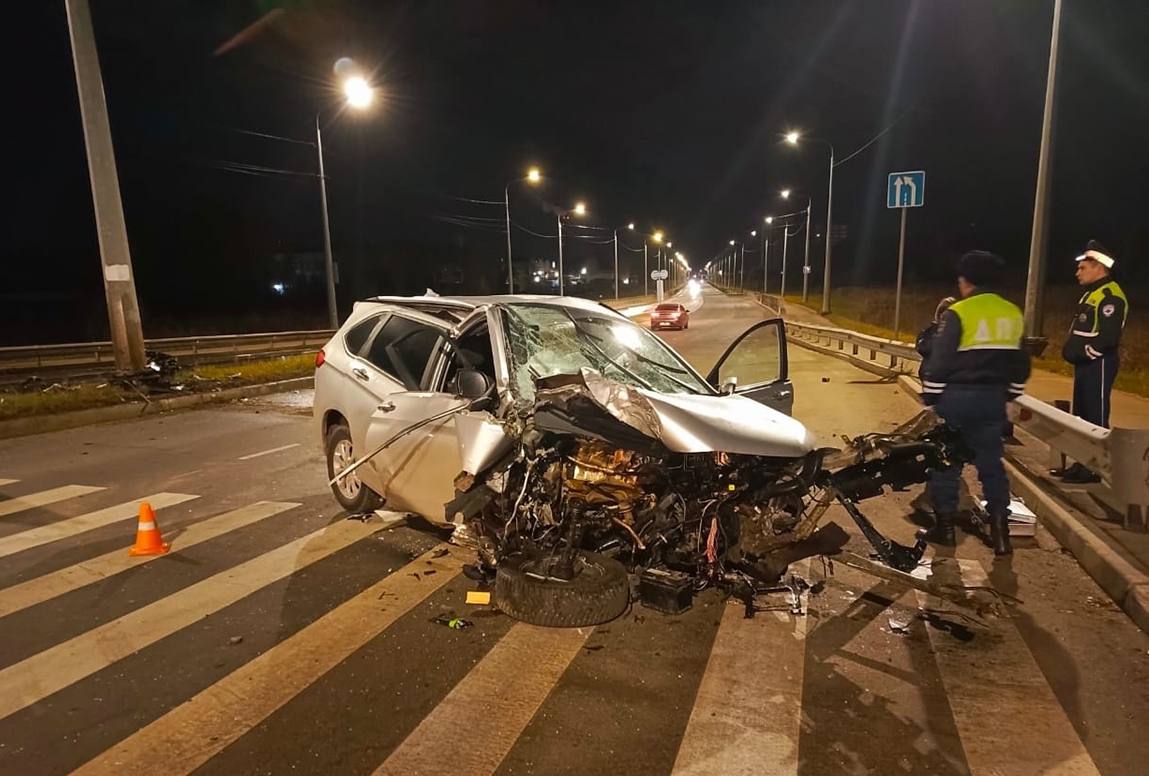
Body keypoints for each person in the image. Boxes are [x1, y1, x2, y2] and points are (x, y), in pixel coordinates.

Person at [919, 251, 1031, 555]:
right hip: (992, 401)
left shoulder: (960, 312)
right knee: (992, 466)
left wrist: (931, 397)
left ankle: (944, 529)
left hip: (957, 398)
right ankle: (1000, 532)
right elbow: (1021, 364)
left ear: (966, 281)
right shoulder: (1012, 313)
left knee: (946, 463)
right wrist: (1009, 394)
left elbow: (939, 363)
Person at [1055, 240, 1128, 484]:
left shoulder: (1110, 296)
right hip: (1086, 365)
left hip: (1099, 364)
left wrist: (1087, 354)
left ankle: (1094, 469)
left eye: (1083, 267)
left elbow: (1109, 337)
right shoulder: (1092, 294)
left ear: (1099, 266)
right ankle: (1082, 463)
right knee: (1082, 416)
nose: (1078, 272)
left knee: (1095, 417)